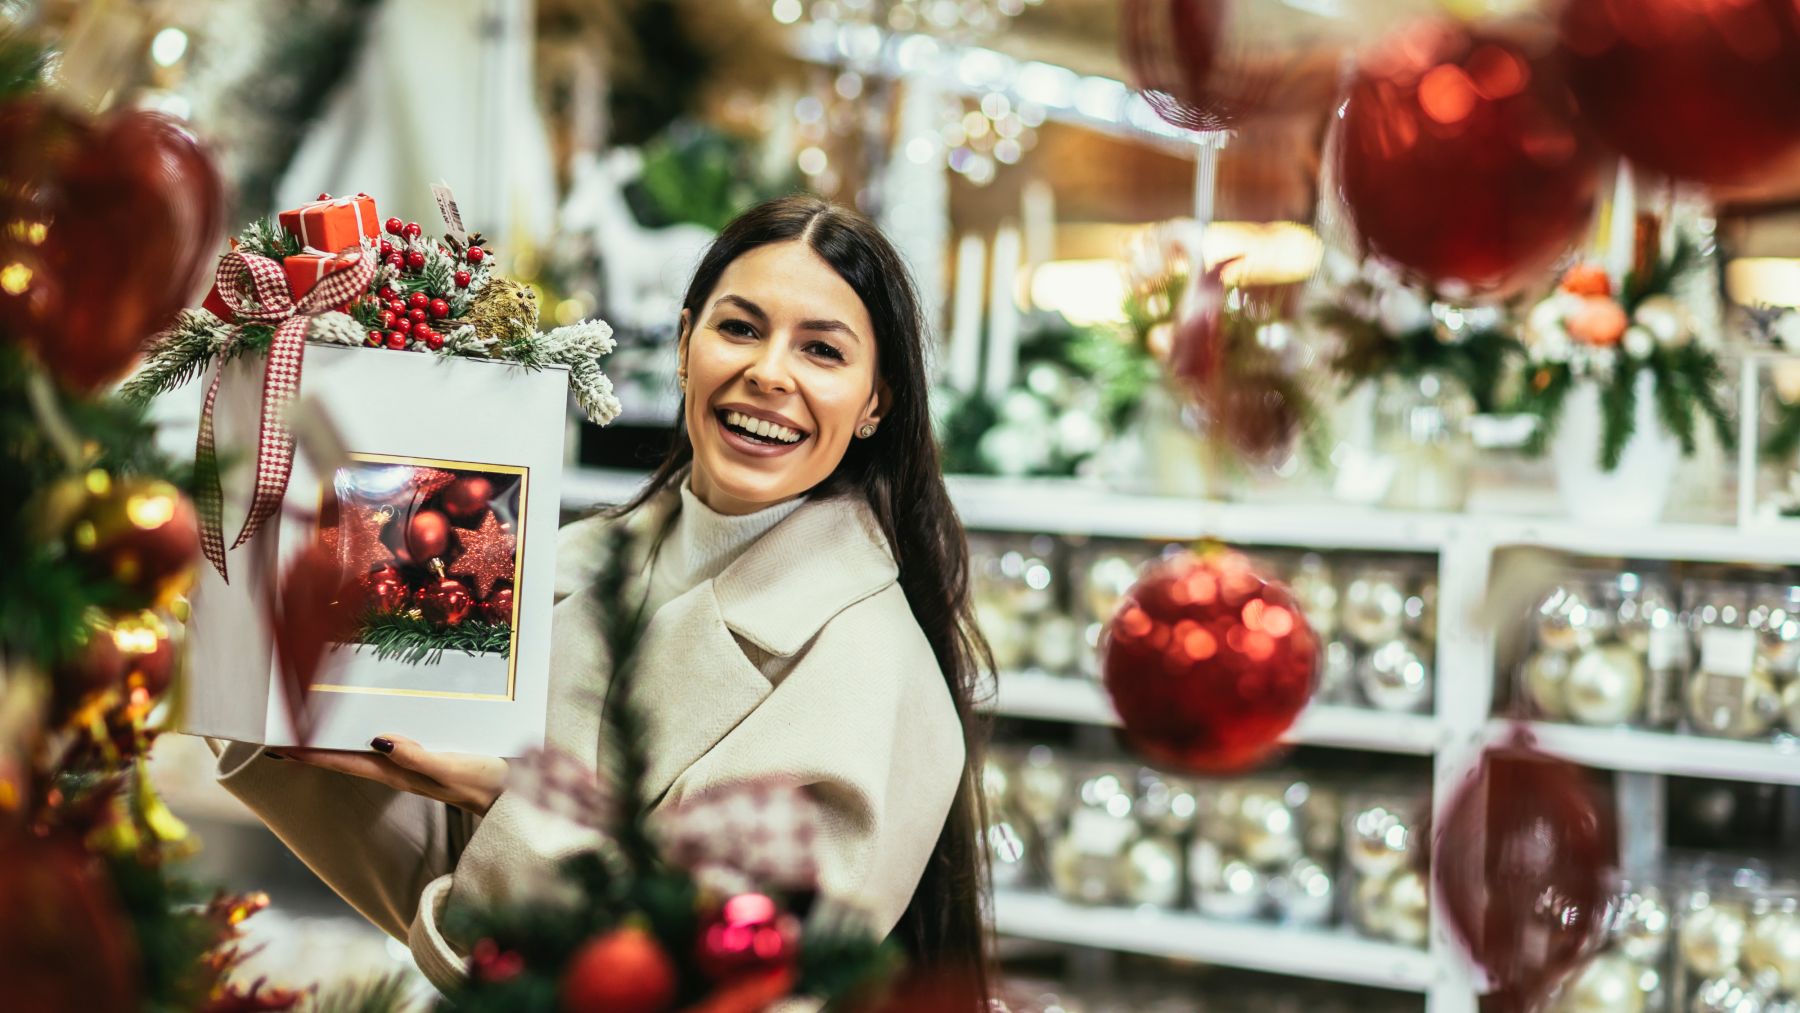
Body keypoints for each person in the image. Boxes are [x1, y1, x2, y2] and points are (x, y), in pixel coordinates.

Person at [211, 194, 995, 1004]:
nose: (769, 372)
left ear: (876, 401)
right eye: (740, 328)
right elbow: (444, 873)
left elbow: (721, 969)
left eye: (822, 350)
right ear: (685, 344)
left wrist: (507, 799)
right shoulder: (573, 560)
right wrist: (264, 653)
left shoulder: (873, 670)